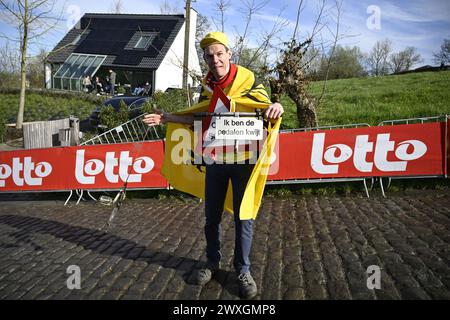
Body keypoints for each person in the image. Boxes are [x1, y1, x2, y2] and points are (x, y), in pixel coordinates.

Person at [143, 31, 283, 299]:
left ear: (229, 54)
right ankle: (211, 262)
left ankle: (243, 270)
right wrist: (167, 118)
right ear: (205, 60)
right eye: (209, 56)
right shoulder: (207, 88)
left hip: (245, 162)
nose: (215, 60)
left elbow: (267, 106)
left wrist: (277, 106)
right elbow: (201, 117)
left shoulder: (250, 82)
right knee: (212, 217)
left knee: (244, 216)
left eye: (220, 54)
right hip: (216, 161)